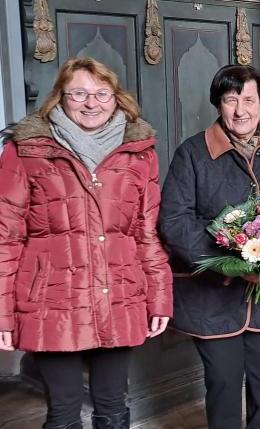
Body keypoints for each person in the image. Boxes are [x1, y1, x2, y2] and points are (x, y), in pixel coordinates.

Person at [0, 57, 173, 429]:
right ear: (60, 98)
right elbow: (6, 237)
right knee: (63, 411)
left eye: (101, 94)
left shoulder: (139, 152)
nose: (91, 103)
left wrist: (160, 296)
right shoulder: (26, 150)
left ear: (116, 98)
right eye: (78, 93)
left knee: (112, 405)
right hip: (51, 301)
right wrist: (2, 313)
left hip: (119, 295)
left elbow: (147, 234)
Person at [158, 64, 260, 429]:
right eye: (230, 100)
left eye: (249, 100)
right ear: (218, 104)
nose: (240, 110)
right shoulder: (192, 153)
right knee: (224, 384)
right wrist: (232, 263)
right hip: (212, 298)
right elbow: (174, 221)